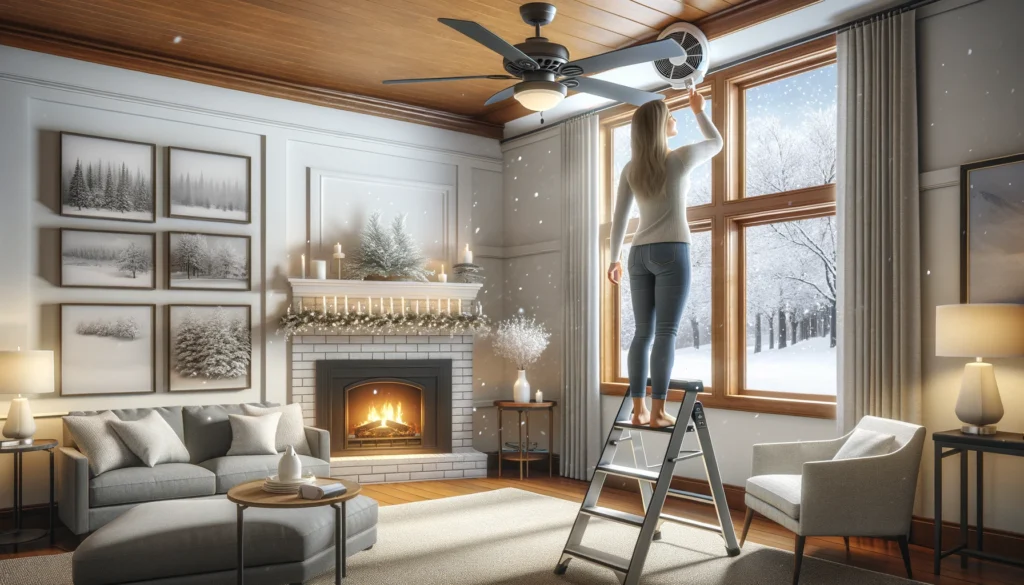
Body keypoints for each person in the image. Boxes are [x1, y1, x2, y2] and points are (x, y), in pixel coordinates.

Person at [607, 89, 723, 428]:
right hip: (672, 250)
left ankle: (638, 409)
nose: (676, 119)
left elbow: (619, 218)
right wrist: (700, 111)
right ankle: (658, 413)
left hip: (637, 254)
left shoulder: (631, 168)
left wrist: (614, 259)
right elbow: (716, 143)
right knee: (666, 333)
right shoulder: (679, 158)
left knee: (642, 334)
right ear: (659, 126)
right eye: (671, 115)